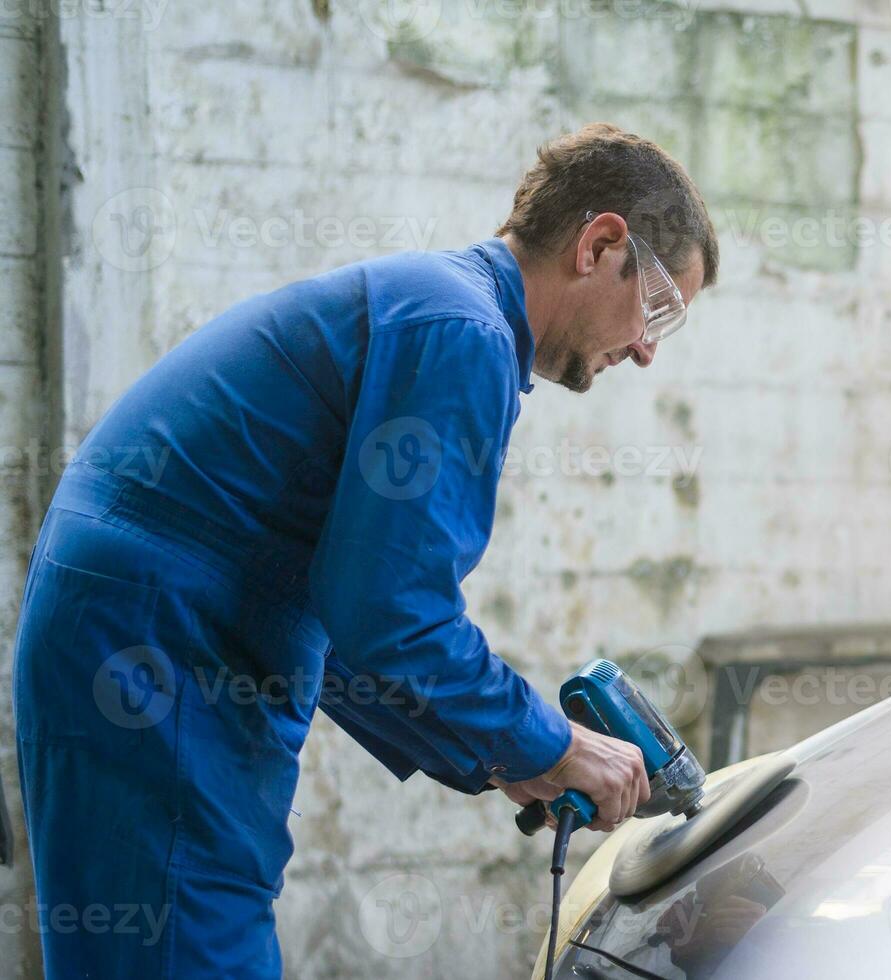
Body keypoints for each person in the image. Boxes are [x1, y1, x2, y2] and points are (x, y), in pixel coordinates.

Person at [11, 122, 719, 977]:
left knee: (150, 937)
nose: (647, 350)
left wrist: (506, 757)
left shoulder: (441, 307)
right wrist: (553, 744)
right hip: (161, 638)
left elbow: (354, 615)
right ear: (599, 244)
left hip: (138, 618)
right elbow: (391, 611)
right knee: (183, 936)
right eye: (659, 309)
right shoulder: (465, 333)